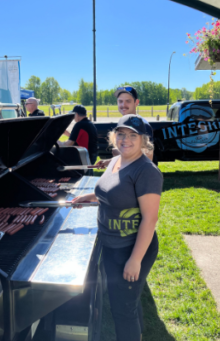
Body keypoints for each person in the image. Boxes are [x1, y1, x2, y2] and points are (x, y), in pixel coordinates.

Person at [71, 115, 162, 340]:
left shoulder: (146, 171)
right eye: (121, 134)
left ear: (144, 140)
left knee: (122, 310)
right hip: (111, 244)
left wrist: (135, 260)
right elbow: (110, 192)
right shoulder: (116, 161)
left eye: (133, 135)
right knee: (125, 300)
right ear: (114, 136)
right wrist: (90, 196)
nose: (125, 140)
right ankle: (139, 332)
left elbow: (150, 219)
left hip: (130, 248)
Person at [98, 87, 155, 167]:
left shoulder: (142, 125)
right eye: (120, 101)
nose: (123, 105)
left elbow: (147, 157)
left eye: (128, 101)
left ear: (136, 102)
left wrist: (118, 153)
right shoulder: (124, 123)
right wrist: (109, 162)